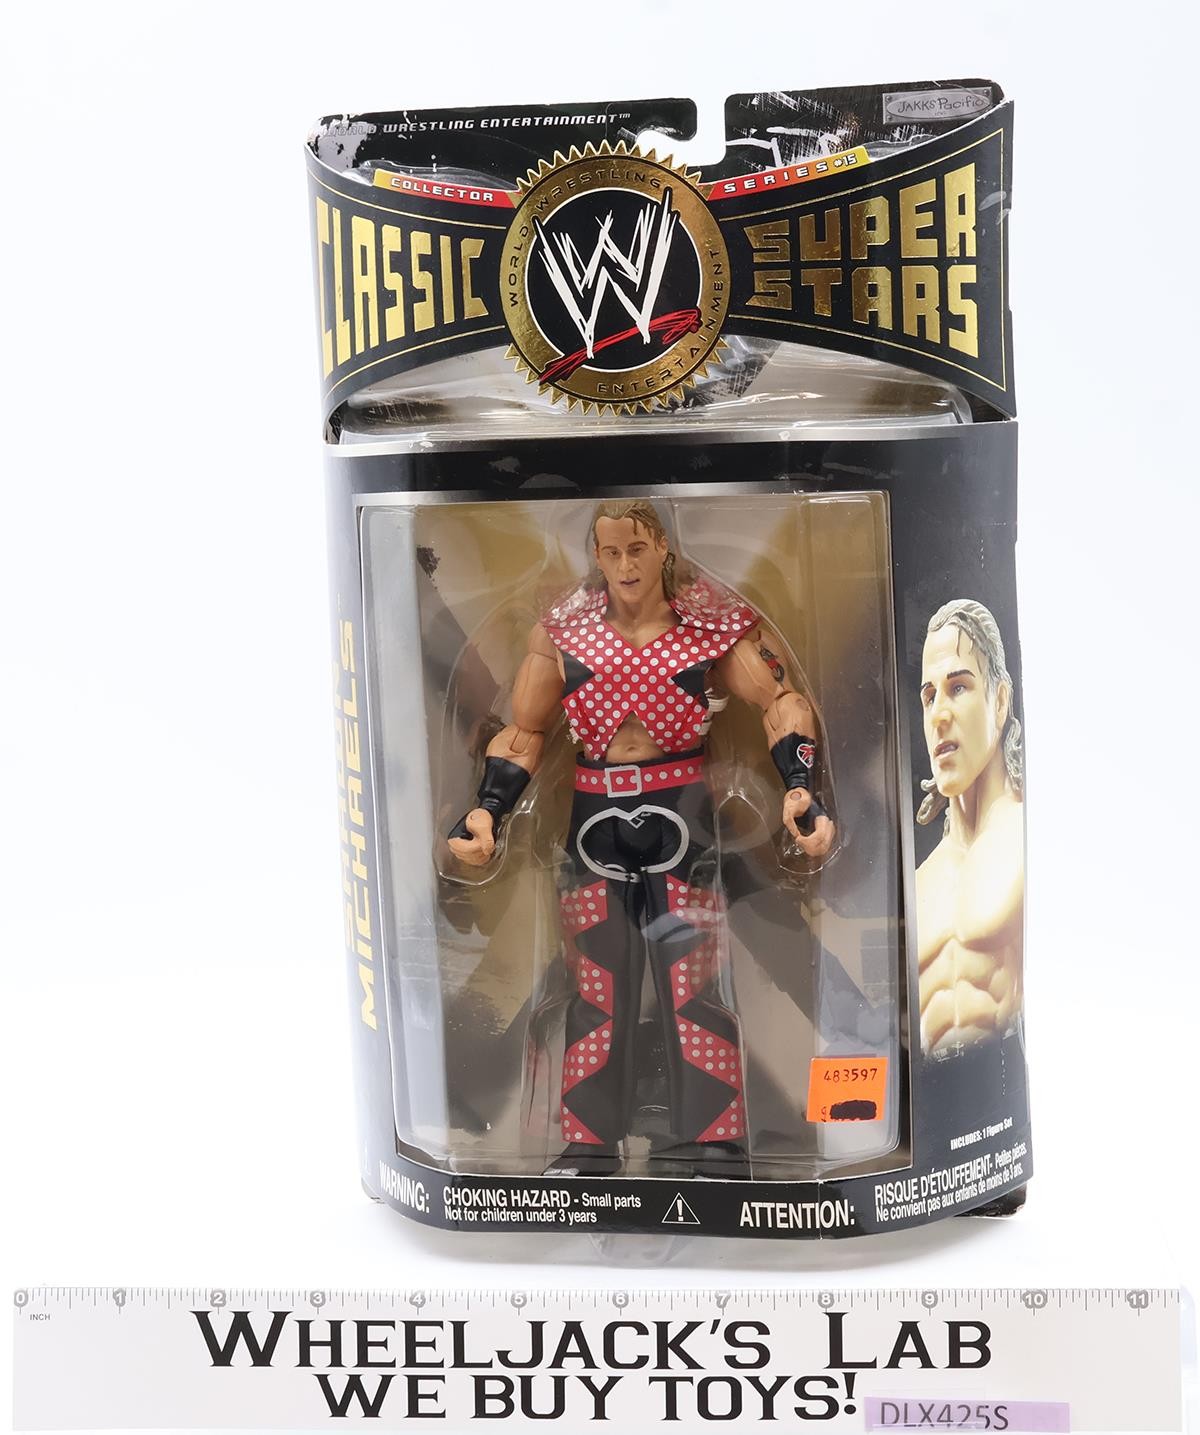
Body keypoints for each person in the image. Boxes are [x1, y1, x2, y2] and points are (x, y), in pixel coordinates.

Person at [448, 500, 834, 1176]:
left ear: (662, 549)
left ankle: (715, 1139)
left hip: (681, 814)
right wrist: (489, 810)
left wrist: (800, 788)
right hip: (593, 820)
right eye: (611, 551)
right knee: (596, 985)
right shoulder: (563, 633)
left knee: (692, 982)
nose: (625, 564)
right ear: (596, 556)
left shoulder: (710, 629)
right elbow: (524, 732)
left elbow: (782, 703)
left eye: (636, 549)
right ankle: (589, 1144)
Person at [915, 599, 1024, 1056]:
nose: (939, 715)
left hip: (1009, 1079)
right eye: (929, 696)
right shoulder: (921, 880)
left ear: (999, 701)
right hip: (931, 1090)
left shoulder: (1028, 838)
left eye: (958, 687)